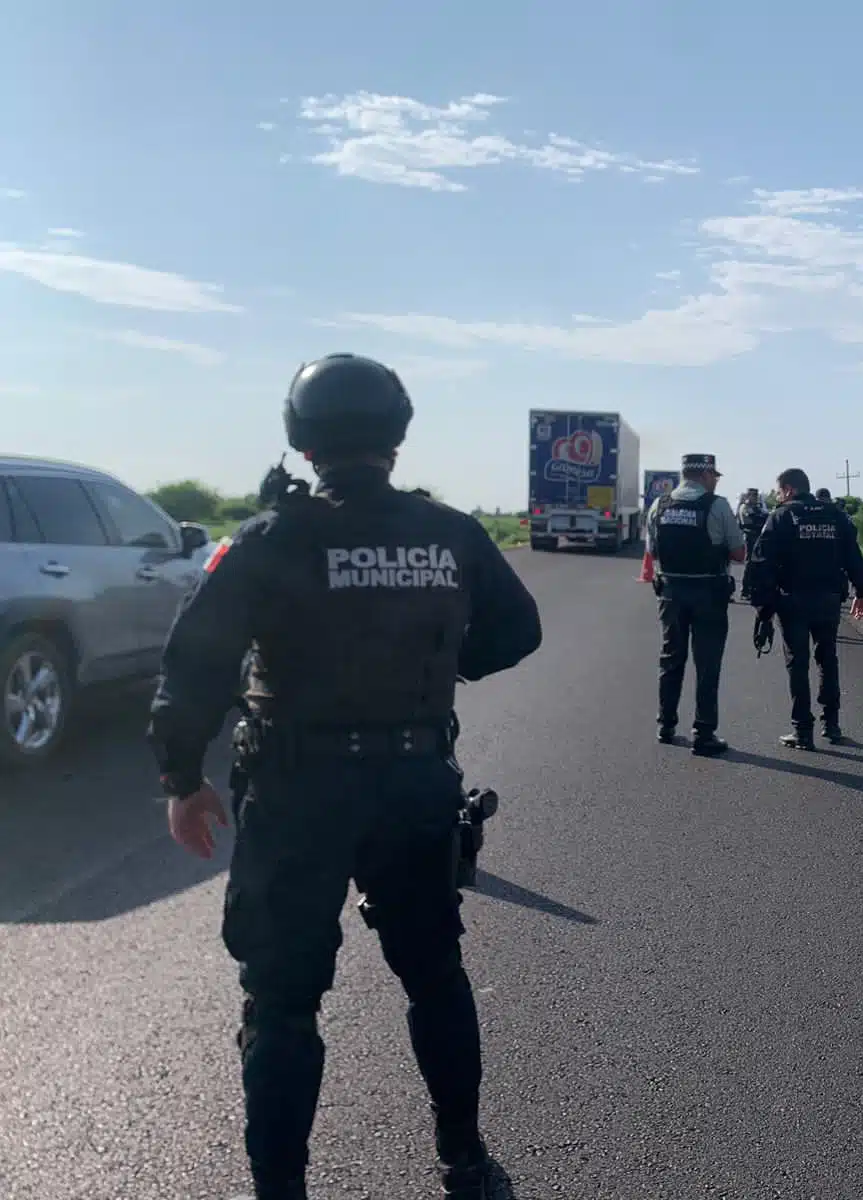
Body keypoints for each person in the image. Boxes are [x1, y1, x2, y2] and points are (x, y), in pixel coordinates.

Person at [146, 353, 545, 1200]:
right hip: (414, 785)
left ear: (300, 439)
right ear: (399, 435)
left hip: (296, 795)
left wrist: (183, 777)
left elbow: (196, 666)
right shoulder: (451, 533)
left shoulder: (267, 538)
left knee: (283, 1005)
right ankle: (464, 1161)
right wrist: (439, 666)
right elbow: (517, 630)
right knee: (435, 976)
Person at [747, 468, 863, 750]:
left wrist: (763, 608)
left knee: (797, 663)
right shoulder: (836, 515)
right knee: (828, 658)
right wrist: (860, 591)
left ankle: (803, 731)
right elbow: (853, 555)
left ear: (789, 490)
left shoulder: (780, 517)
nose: (778, 496)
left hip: (792, 600)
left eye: (779, 491)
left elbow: (761, 563)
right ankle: (832, 724)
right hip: (828, 599)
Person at [645, 453, 744, 755]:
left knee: (671, 659)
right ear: (705, 475)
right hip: (708, 594)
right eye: (715, 476)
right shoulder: (717, 505)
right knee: (707, 664)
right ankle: (704, 733)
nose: (715, 481)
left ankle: (666, 725)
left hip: (671, 594)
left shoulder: (658, 505)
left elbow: (652, 550)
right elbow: (739, 553)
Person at [735, 487, 768, 602]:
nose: (755, 497)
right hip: (749, 536)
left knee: (756, 564)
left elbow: (765, 517)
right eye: (753, 495)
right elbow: (753, 519)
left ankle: (752, 589)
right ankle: (745, 590)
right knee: (749, 563)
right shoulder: (745, 507)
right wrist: (761, 518)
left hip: (757, 536)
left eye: (756, 495)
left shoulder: (757, 508)